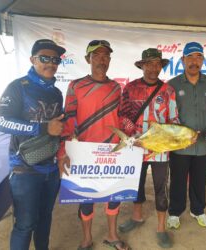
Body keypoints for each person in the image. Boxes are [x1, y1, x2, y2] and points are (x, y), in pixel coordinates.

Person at [57, 40, 130, 250]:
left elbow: (122, 118)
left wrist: (132, 137)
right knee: (86, 198)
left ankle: (112, 235)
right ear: (87, 59)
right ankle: (87, 239)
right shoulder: (76, 86)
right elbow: (69, 120)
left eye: (106, 55)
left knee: (113, 196)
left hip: (112, 152)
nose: (102, 59)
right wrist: (63, 152)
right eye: (96, 55)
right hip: (85, 153)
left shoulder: (117, 88)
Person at [0, 39, 66, 250]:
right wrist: (43, 127)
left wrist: (62, 154)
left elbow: (58, 128)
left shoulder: (56, 93)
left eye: (55, 59)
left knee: (45, 219)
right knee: (25, 224)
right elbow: (2, 121)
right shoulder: (17, 87)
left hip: (51, 168)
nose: (51, 63)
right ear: (32, 60)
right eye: (45, 58)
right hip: (24, 168)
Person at [118, 48, 179, 248]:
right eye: (149, 63)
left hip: (160, 149)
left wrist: (172, 137)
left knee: (162, 188)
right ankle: (137, 217)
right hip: (136, 147)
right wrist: (133, 135)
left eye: (157, 64)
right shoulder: (130, 88)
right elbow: (123, 114)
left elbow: (174, 120)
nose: (154, 68)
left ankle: (161, 228)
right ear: (142, 65)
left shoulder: (168, 91)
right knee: (137, 184)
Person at [167, 42, 206, 229]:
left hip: (204, 145)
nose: (194, 62)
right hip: (179, 146)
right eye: (190, 57)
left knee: (199, 180)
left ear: (203, 61)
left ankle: (198, 210)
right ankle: (175, 212)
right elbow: (165, 116)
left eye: (198, 57)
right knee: (177, 180)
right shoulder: (172, 85)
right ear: (182, 60)